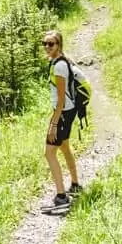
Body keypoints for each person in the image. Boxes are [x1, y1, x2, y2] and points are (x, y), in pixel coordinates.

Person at [41, 30, 81, 207]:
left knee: (49, 153)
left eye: (51, 44)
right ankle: (75, 184)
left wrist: (53, 124)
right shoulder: (59, 61)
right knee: (64, 147)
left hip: (63, 112)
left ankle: (61, 195)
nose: (47, 47)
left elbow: (61, 99)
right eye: (45, 43)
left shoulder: (59, 66)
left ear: (59, 45)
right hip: (67, 111)